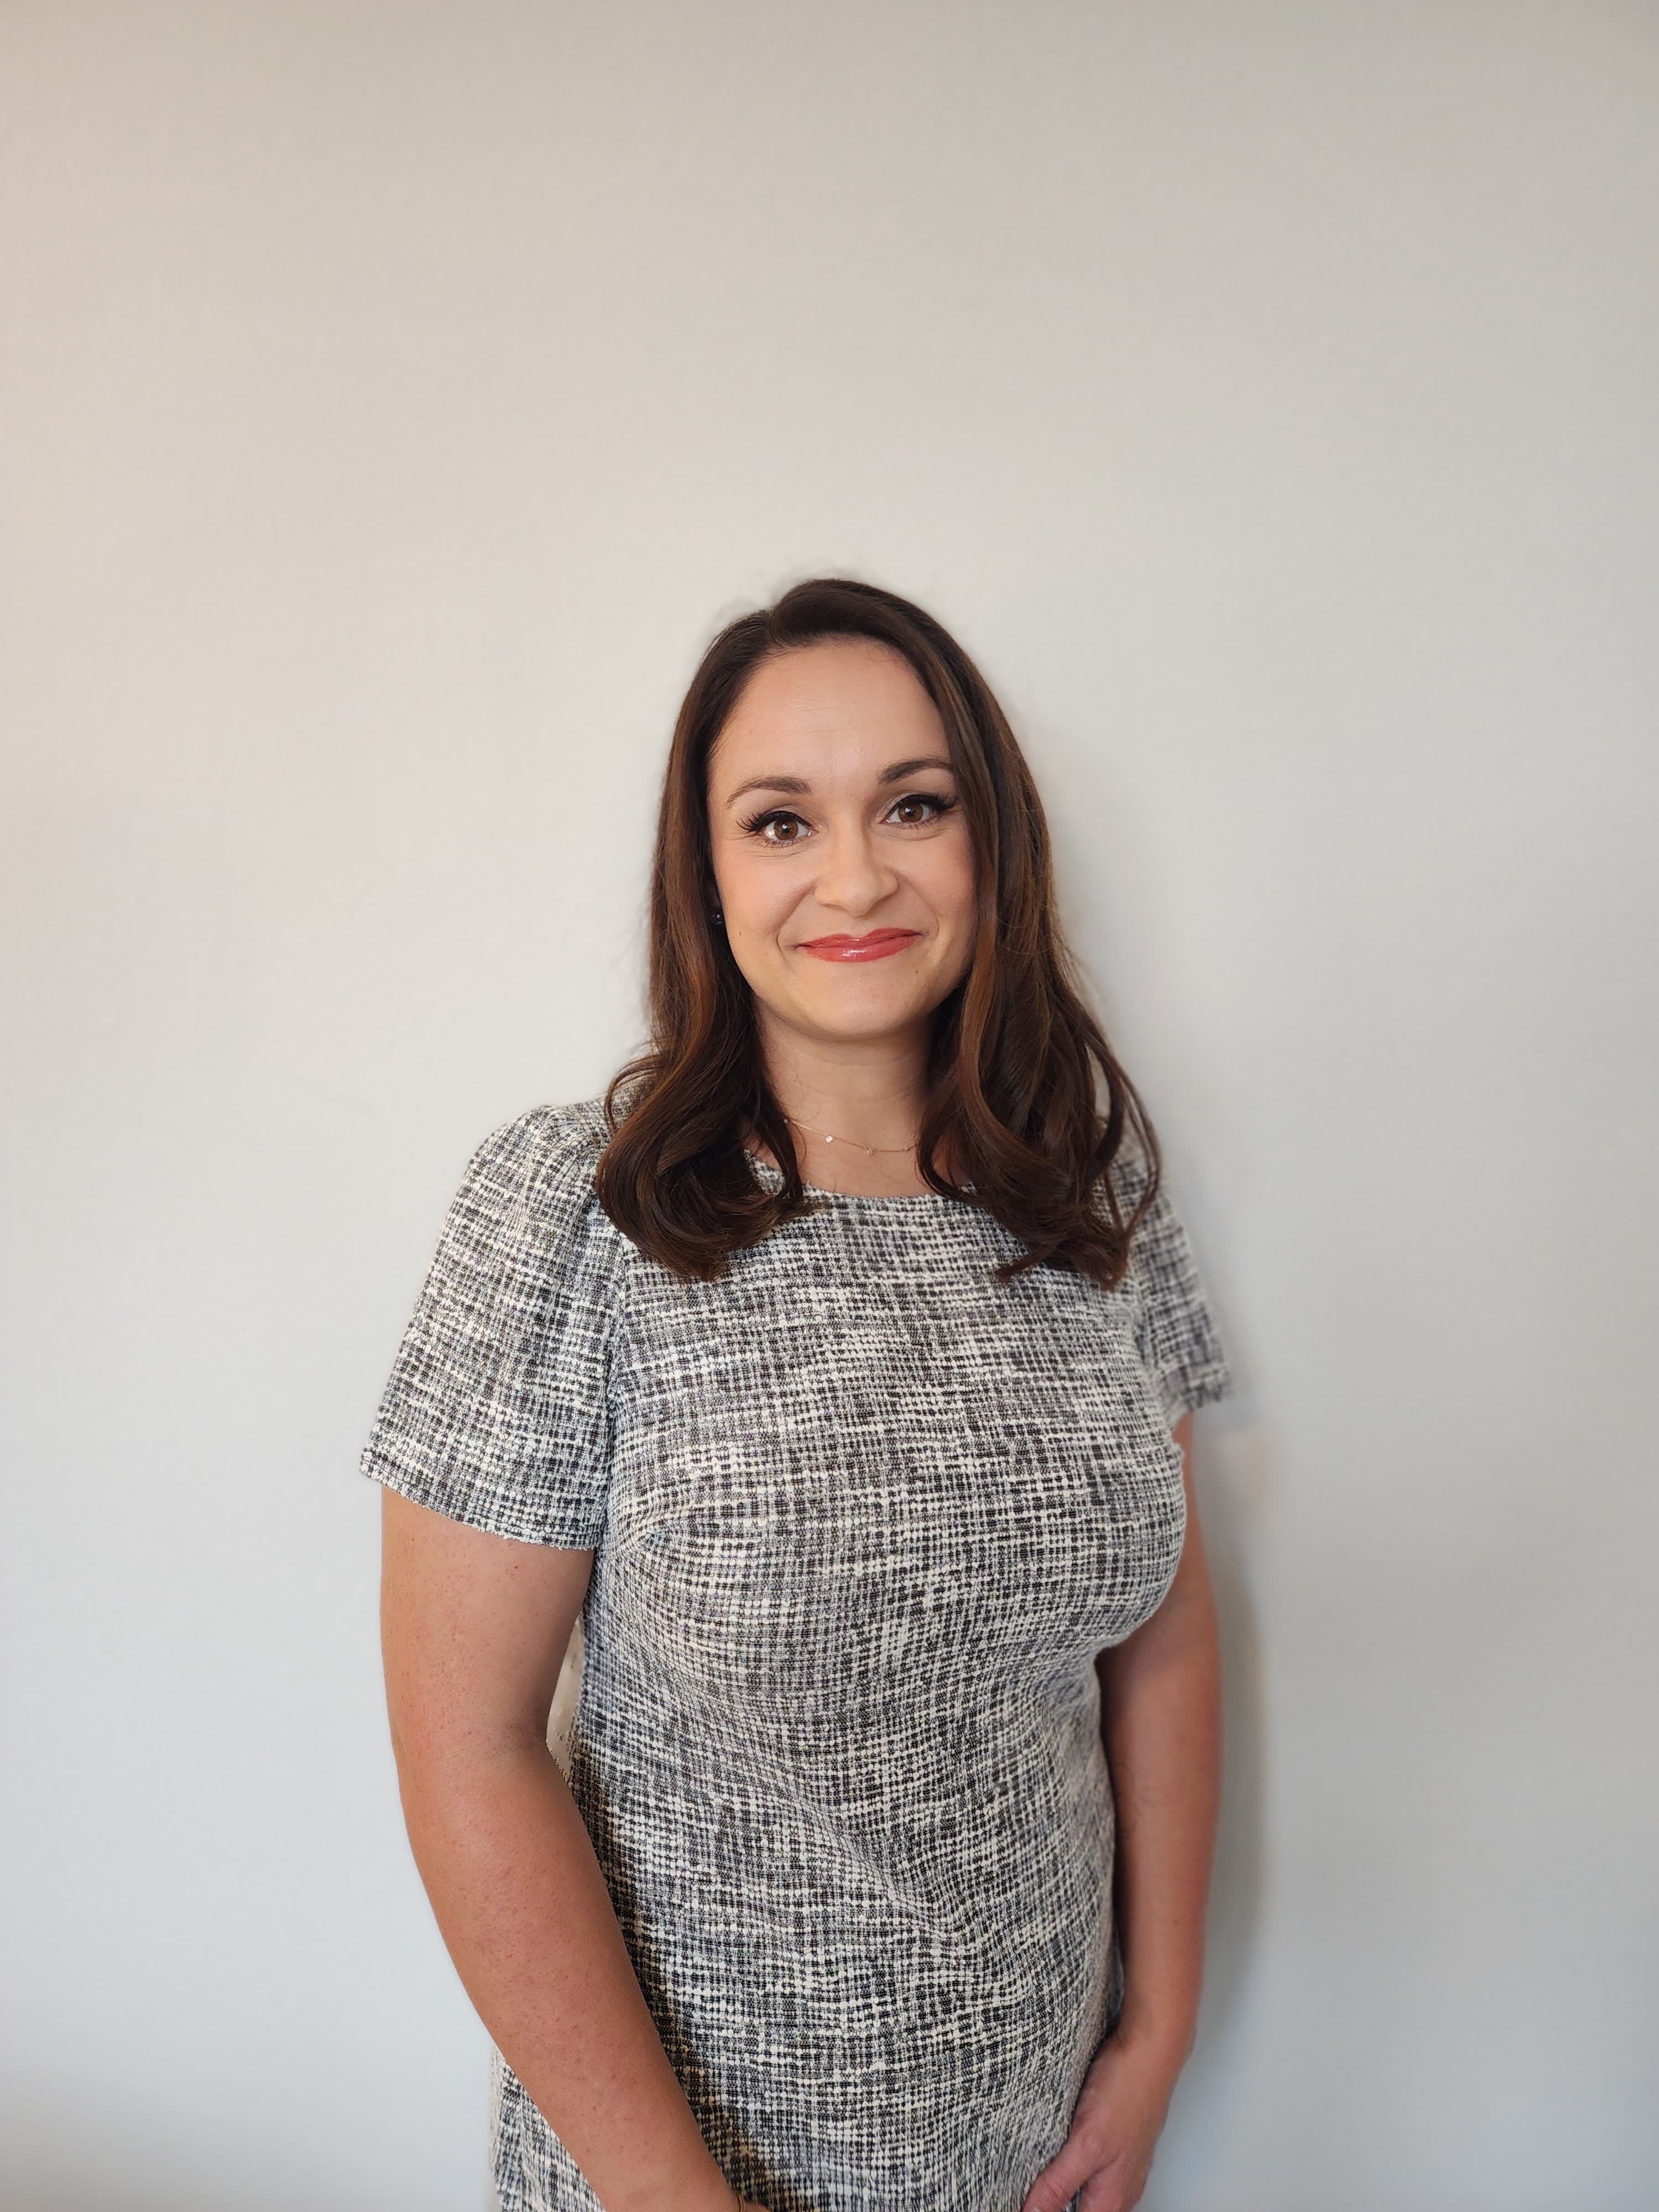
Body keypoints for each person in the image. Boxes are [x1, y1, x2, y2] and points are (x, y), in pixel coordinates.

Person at [362, 577, 1235, 2212]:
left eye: (916, 804)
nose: (855, 876)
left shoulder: (1090, 1185)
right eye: (779, 822)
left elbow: (1163, 1626)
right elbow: (471, 1750)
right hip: (684, 2171)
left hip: (1041, 2151)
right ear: (706, 871)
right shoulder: (576, 1209)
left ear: (996, 840)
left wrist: (1160, 2032)